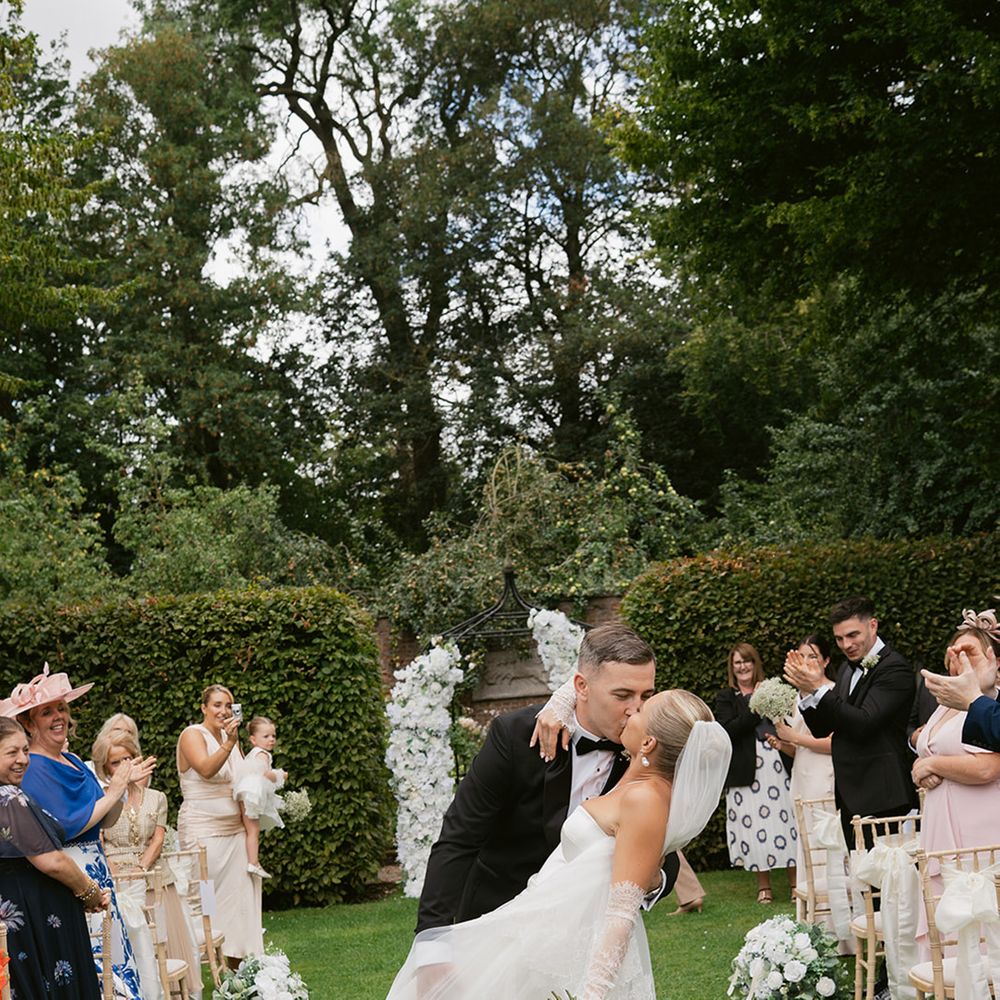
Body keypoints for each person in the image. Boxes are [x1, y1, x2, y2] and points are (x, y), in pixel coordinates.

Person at [386, 689, 731, 999]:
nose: (631, 711)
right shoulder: (640, 780)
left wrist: (592, 993)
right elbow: (598, 674)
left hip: (573, 955)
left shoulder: (645, 798)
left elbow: (620, 916)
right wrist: (565, 698)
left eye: (641, 710)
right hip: (539, 933)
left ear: (649, 744)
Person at [416, 624, 678, 937]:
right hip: (494, 920)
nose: (636, 710)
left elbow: (669, 849)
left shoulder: (648, 753)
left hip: (583, 934)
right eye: (622, 695)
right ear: (580, 687)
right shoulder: (514, 736)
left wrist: (653, 882)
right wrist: (431, 939)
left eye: (646, 695)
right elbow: (460, 837)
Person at [0, 665, 155, 1000]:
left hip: (97, 870)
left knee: (114, 963)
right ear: (28, 723)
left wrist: (121, 790)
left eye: (62, 708)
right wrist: (114, 791)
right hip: (70, 875)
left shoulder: (72, 758)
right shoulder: (31, 772)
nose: (58, 716)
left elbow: (103, 818)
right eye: (47, 711)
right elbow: (67, 827)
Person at [785, 596, 916, 846]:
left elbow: (864, 723)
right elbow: (823, 728)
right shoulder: (846, 669)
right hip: (850, 793)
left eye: (853, 635)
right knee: (860, 876)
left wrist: (819, 688)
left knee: (890, 878)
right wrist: (807, 692)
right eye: (839, 639)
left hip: (884, 794)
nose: (846, 644)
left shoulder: (895, 669)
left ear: (873, 625)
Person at [0, 715, 110, 1000]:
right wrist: (90, 893)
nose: (23, 759)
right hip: (36, 924)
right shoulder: (9, 798)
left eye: (25, 750)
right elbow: (52, 860)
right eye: (11, 752)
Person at [94, 729, 202, 1000]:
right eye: (116, 761)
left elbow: (158, 837)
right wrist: (111, 868)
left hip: (152, 877)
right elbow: (98, 839)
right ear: (106, 766)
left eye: (127, 759)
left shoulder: (156, 797)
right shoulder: (101, 797)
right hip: (116, 879)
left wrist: (142, 867)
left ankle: (171, 992)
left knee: (162, 940)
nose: (123, 766)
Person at [177, 683, 263, 963]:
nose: (224, 711)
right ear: (203, 708)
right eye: (217, 705)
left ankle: (237, 965)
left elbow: (241, 781)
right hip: (204, 833)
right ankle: (209, 961)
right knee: (206, 898)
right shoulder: (192, 734)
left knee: (239, 902)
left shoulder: (232, 741)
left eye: (228, 705)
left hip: (234, 834)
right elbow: (205, 769)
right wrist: (228, 742)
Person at [715, 642, 797, 904]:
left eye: (747, 661)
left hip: (776, 765)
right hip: (745, 770)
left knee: (786, 822)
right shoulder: (726, 698)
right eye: (737, 662)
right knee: (754, 827)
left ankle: (796, 883)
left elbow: (788, 721)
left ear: (755, 663)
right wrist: (754, 702)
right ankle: (764, 886)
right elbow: (728, 731)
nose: (743, 667)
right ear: (732, 667)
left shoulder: (772, 688)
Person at [922, 609, 1000, 750]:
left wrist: (931, 765)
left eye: (971, 655)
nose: (963, 661)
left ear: (995, 662)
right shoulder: (944, 700)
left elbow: (989, 768)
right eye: (956, 654)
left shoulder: (981, 703)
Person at [233, 716, 287, 879]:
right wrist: (280, 775)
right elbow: (265, 773)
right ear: (253, 739)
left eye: (273, 736)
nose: (271, 740)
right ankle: (253, 862)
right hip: (252, 794)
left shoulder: (253, 753)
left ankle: (253, 861)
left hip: (246, 792)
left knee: (251, 829)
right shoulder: (262, 754)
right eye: (266, 736)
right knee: (253, 830)